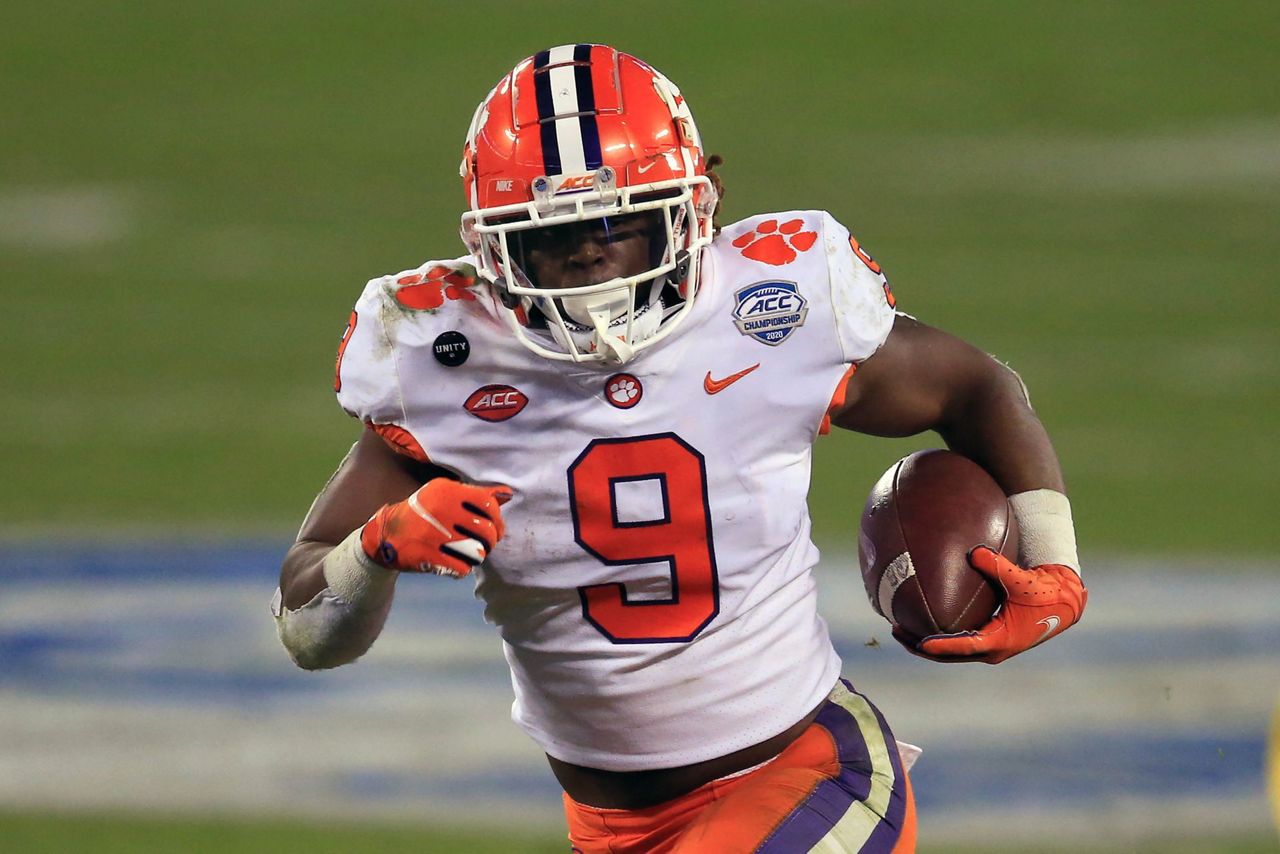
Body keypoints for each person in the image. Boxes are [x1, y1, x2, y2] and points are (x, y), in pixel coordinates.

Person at [271, 44, 1087, 853]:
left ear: (700, 202)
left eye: (616, 218)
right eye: (552, 233)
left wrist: (1053, 560)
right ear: (492, 248)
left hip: (807, 777)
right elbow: (308, 630)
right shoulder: (442, 363)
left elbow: (974, 387)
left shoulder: (772, 309)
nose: (590, 250)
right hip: (608, 829)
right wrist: (375, 549)